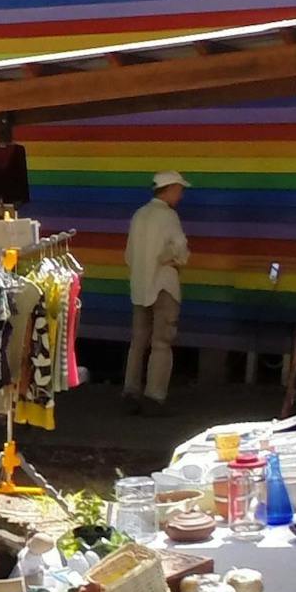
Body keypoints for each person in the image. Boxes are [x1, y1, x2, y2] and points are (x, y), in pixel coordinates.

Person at [123, 171, 191, 415]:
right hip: (164, 285)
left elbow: (129, 255)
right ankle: (154, 395)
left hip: (139, 285)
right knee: (162, 342)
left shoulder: (139, 215)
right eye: (179, 190)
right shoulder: (169, 217)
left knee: (138, 341)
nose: (181, 195)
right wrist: (177, 260)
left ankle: (131, 390)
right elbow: (180, 250)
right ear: (170, 189)